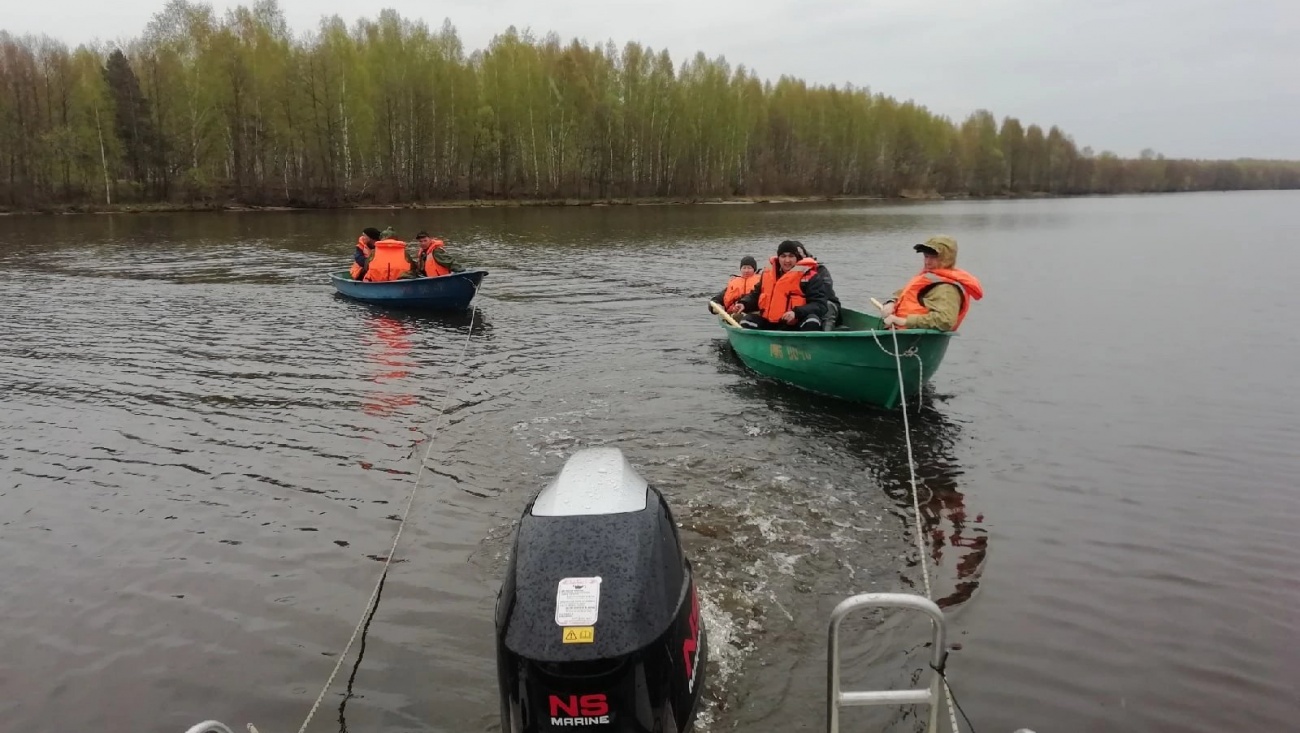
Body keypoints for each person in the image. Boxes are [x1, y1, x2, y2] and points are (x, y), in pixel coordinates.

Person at [878, 235, 983, 331]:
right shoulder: (930, 277)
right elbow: (904, 293)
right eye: (926, 256)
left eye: (933, 257)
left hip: (913, 339)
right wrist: (891, 302)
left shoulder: (947, 289)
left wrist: (902, 321)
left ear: (946, 259)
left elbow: (945, 321)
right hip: (898, 331)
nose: (927, 262)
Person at [729, 240, 839, 331]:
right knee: (747, 321)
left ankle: (804, 349)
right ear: (778, 258)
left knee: (812, 321)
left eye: (791, 256)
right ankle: (757, 347)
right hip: (770, 323)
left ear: (797, 258)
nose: (787, 260)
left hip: (795, 324)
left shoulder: (810, 276)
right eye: (783, 256)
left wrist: (796, 313)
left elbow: (819, 305)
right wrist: (744, 304)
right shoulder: (768, 274)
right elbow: (755, 295)